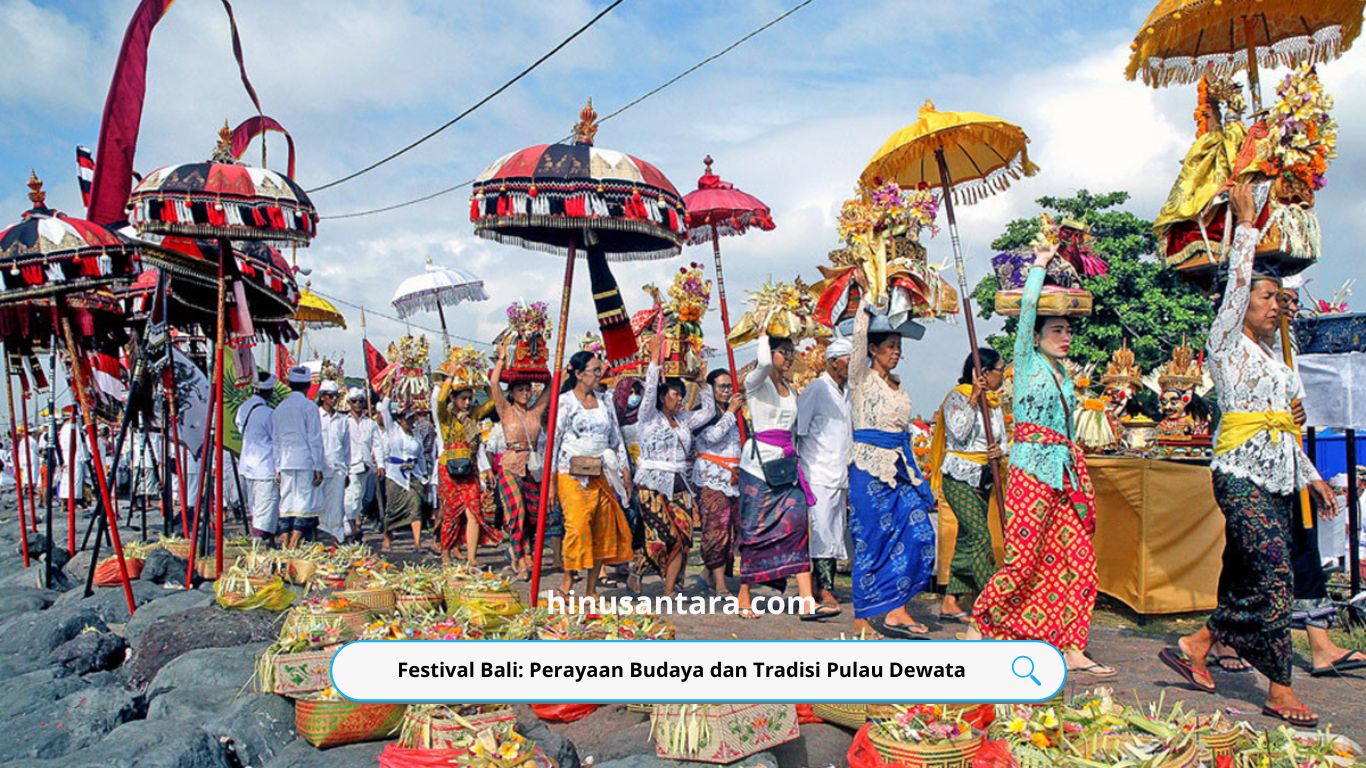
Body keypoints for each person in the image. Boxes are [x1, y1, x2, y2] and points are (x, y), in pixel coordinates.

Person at [1162, 183, 1339, 726]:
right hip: (1239, 475)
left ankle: (1197, 643)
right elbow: (1238, 284)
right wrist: (1244, 228)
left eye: (1278, 300)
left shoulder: (1272, 358)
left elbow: (1284, 427)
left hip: (1279, 478)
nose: (1273, 306)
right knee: (1275, 576)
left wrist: (1312, 476)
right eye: (1266, 299)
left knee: (1249, 578)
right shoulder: (1227, 341)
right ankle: (1280, 688)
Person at [965, 243, 1112, 676]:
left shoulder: (1066, 373)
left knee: (1078, 560)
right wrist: (1040, 266)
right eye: (1056, 331)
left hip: (1065, 471)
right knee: (1025, 558)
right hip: (1031, 468)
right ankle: (983, 622)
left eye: (1068, 330)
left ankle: (1070, 644)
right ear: (1035, 337)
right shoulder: (1027, 363)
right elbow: (1028, 309)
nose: (1065, 338)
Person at [845, 292, 935, 638]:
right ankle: (863, 618)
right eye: (889, 347)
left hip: (900, 469)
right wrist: (869, 299)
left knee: (919, 533)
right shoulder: (861, 378)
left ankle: (896, 608)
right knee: (872, 540)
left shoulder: (899, 385)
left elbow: (903, 435)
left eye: (899, 347)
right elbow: (856, 341)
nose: (896, 353)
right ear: (873, 349)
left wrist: (917, 476)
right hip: (867, 469)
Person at [737, 323, 827, 621]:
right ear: (770, 352)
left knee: (798, 526)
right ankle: (744, 595)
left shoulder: (790, 389)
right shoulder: (756, 382)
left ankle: (806, 600)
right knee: (754, 531)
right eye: (783, 352)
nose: (789, 357)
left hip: (787, 465)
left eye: (792, 352)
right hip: (759, 467)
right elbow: (763, 363)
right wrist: (762, 334)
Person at [929, 348, 1007, 622]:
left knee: (966, 540)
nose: (1003, 376)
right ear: (983, 373)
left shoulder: (995, 403)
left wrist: (1000, 451)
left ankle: (951, 601)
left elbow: (1001, 437)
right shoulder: (957, 398)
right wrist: (973, 398)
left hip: (983, 476)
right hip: (960, 476)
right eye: (999, 370)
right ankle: (993, 601)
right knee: (980, 536)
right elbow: (959, 434)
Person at [549, 351, 634, 598]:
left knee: (603, 529)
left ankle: (591, 589)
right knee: (576, 526)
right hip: (570, 473)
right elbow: (554, 443)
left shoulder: (605, 400)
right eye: (595, 370)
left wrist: (625, 470)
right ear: (578, 374)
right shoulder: (564, 401)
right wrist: (552, 482)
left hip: (602, 472)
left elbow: (616, 439)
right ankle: (567, 581)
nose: (600, 375)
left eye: (601, 370)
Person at [630, 335, 698, 596]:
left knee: (682, 539)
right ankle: (637, 571)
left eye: (681, 394)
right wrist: (655, 360)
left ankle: (668, 590)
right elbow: (648, 391)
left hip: (680, 483)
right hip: (651, 483)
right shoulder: (648, 418)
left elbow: (707, 413)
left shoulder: (683, 421)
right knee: (662, 537)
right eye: (674, 394)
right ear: (662, 396)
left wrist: (700, 383)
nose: (679, 399)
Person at [797, 338, 853, 611]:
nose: (852, 366)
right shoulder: (817, 389)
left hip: (839, 472)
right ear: (833, 362)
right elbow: (800, 429)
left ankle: (826, 586)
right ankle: (822, 588)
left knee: (834, 530)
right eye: (848, 360)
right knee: (820, 531)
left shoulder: (848, 391)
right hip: (816, 471)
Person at [489, 342, 553, 580]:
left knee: (535, 516)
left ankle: (527, 553)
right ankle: (519, 558)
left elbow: (550, 385)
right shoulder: (505, 411)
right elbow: (494, 384)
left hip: (533, 467)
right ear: (512, 393)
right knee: (516, 511)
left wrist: (542, 360)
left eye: (528, 390)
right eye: (520, 390)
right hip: (510, 466)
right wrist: (501, 359)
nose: (525, 394)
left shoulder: (536, 412)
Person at [687, 368, 744, 596]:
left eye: (729, 386)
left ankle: (708, 574)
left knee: (734, 530)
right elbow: (712, 437)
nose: (727, 391)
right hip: (712, 478)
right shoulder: (702, 413)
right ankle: (720, 584)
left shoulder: (737, 413)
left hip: (734, 479)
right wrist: (730, 412)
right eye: (722, 386)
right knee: (716, 530)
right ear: (711, 389)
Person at [435, 376, 497, 566]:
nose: (468, 402)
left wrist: (484, 381)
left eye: (470, 398)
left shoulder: (474, 416)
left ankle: (472, 558)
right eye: (463, 398)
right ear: (453, 399)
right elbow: (439, 401)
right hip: (449, 469)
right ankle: (445, 552)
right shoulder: (446, 417)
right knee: (451, 513)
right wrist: (450, 378)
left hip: (470, 470)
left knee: (474, 512)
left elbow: (493, 402)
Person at [272, 367, 325, 549]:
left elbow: (276, 441)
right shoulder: (309, 407)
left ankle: (286, 542)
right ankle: (293, 544)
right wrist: (318, 465)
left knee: (286, 503)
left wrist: (277, 467)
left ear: (289, 384)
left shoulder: (279, 408)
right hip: (305, 460)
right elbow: (314, 438)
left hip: (285, 461)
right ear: (308, 385)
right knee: (303, 502)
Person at [236, 372, 279, 542]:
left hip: (248, 465)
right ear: (269, 391)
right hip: (265, 467)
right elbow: (276, 440)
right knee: (265, 510)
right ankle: (259, 547)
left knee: (255, 508)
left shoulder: (243, 408)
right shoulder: (268, 413)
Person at [379, 399, 424, 552]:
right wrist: (387, 393)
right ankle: (387, 537)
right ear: (400, 419)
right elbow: (385, 410)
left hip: (413, 474)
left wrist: (424, 475)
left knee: (415, 505)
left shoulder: (416, 434)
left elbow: (422, 456)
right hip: (395, 475)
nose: (411, 421)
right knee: (392, 509)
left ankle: (417, 543)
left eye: (413, 418)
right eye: (408, 418)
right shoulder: (393, 430)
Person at [344, 388, 385, 543]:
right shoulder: (344, 422)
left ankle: (354, 525)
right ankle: (351, 529)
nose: (358, 404)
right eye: (354, 401)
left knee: (363, 498)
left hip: (366, 465)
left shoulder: (370, 423)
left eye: (361, 401)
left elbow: (377, 445)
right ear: (349, 403)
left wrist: (380, 464)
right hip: (350, 466)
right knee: (351, 497)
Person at [315, 381, 351, 543]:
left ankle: (337, 537)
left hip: (338, 469)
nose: (334, 399)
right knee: (318, 505)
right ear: (323, 397)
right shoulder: (315, 416)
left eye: (336, 396)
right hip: (320, 469)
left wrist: (347, 470)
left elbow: (346, 448)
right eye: (331, 396)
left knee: (336, 506)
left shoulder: (342, 420)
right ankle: (320, 537)